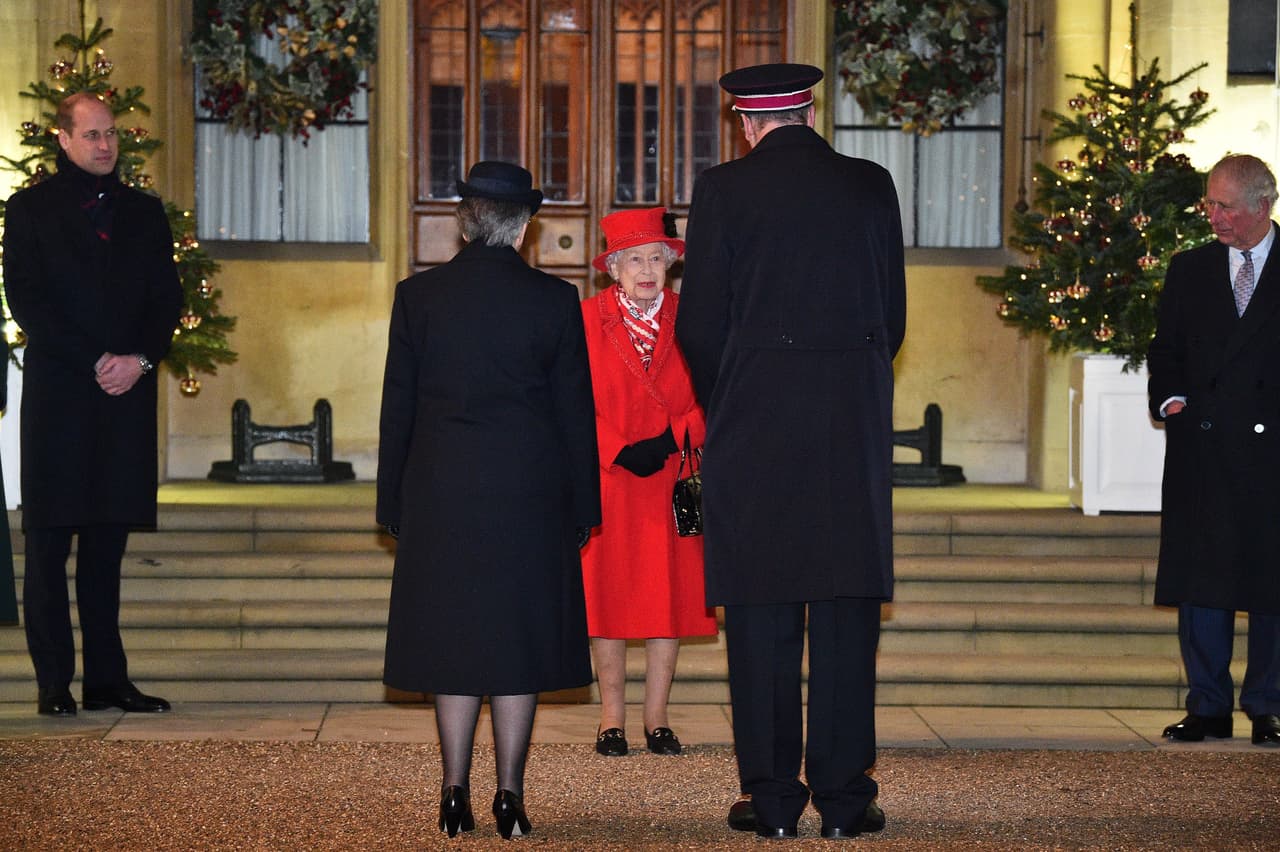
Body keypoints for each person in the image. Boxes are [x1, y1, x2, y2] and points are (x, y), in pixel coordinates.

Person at [675, 63, 906, 839]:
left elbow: (699, 325)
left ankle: (773, 801)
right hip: (850, 428)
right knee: (844, 616)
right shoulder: (872, 184)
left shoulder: (723, 192)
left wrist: (734, 398)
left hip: (757, 427)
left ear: (746, 122)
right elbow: (893, 316)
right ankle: (843, 800)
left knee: (762, 616)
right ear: (810, 112)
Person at [376, 161, 601, 839]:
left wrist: (392, 503)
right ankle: (509, 795)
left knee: (452, 640)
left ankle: (452, 792)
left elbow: (398, 411)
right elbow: (574, 415)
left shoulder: (418, 297)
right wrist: (584, 507)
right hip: (527, 495)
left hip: (442, 490)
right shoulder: (555, 302)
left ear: (465, 220)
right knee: (517, 642)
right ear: (526, 225)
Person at [2, 91, 182, 717]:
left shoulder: (144, 212)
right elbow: (27, 301)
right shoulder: (27, 211)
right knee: (50, 547)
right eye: (93, 135)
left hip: (123, 400)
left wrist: (137, 361)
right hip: (60, 399)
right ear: (64, 139)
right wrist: (92, 360)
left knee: (106, 550)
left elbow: (166, 301)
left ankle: (108, 679)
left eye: (111, 134)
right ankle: (54, 682)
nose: (106, 145)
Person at [1147, 153, 1280, 748]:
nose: (1214, 215)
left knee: (1271, 582)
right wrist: (1170, 398)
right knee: (1203, 581)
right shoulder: (1190, 267)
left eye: (1225, 205)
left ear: (1263, 205)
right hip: (1202, 447)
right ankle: (1207, 705)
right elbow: (1165, 348)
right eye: (1210, 202)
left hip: (1271, 453)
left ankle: (1268, 705)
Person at [579, 207, 717, 758]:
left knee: (670, 598)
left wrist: (673, 438)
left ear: (669, 265)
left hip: (674, 480)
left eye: (655, 258)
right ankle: (610, 719)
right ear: (613, 268)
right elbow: (566, 401)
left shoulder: (694, 319)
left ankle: (657, 718)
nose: (645, 269)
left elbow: (718, 394)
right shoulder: (586, 320)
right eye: (633, 259)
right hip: (611, 479)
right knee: (608, 599)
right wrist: (614, 448)